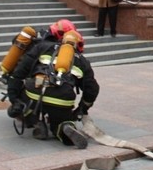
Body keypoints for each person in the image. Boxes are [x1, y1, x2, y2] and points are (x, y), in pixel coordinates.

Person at [6, 19, 99, 149]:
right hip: (62, 98)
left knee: (25, 99)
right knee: (62, 119)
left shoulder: (41, 47)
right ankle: (64, 127)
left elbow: (18, 73)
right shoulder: (81, 59)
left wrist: (14, 99)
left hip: (35, 91)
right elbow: (92, 89)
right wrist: (81, 109)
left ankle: (35, 121)